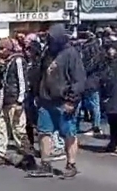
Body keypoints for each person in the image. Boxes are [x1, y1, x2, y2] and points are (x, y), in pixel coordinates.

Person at [28, 24, 85, 178]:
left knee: (69, 133)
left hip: (64, 101)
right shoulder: (47, 52)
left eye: (52, 38)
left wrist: (72, 101)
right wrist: (36, 93)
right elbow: (40, 74)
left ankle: (71, 164)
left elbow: (79, 80)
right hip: (46, 100)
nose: (49, 41)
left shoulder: (71, 54)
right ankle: (45, 164)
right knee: (43, 132)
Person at [0, 39, 33, 169]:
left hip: (15, 101)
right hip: (5, 101)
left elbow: (22, 81)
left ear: (8, 49)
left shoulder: (18, 60)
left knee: (18, 129)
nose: (0, 51)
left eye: (2, 49)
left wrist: (20, 100)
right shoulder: (7, 62)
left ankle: (27, 155)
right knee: (1, 128)